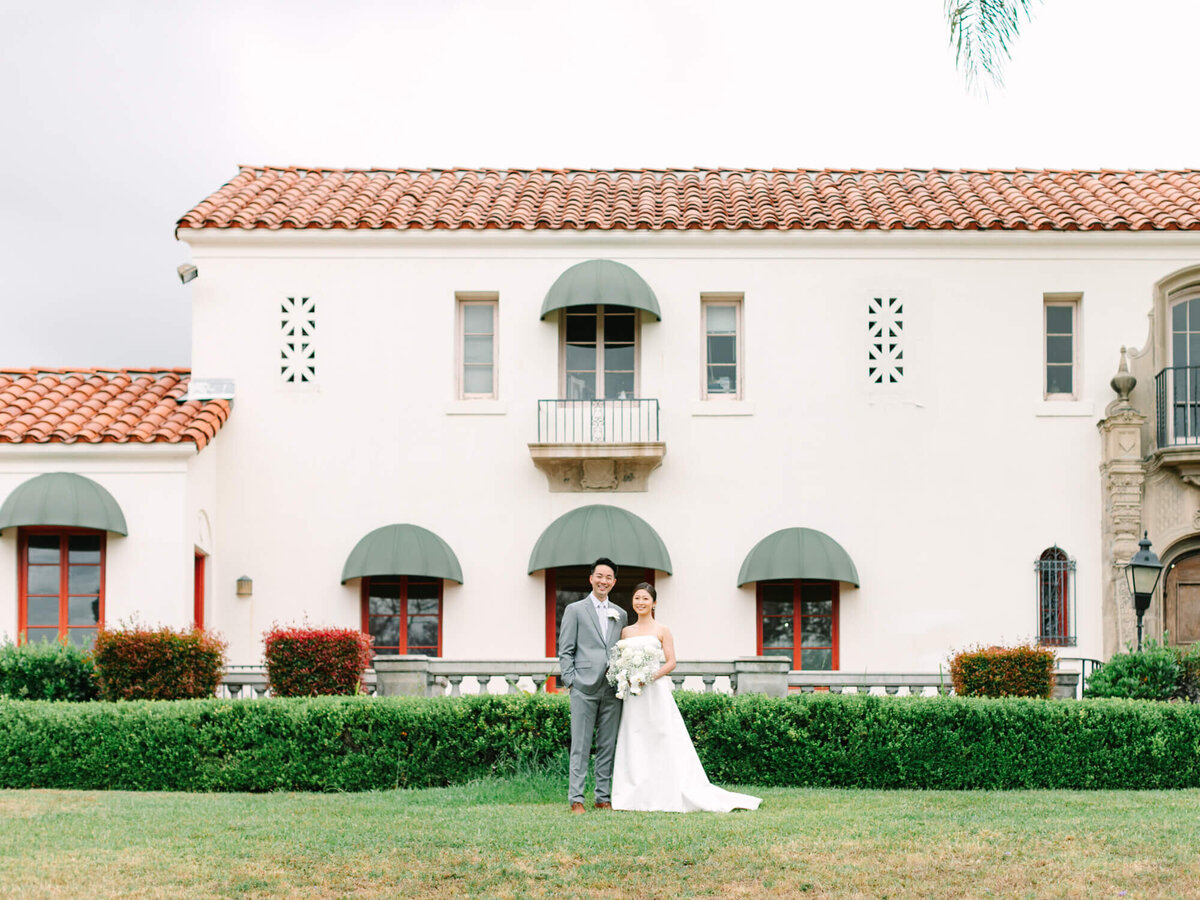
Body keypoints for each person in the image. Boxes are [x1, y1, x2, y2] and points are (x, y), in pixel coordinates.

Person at [611, 583, 761, 813]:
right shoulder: (626, 632)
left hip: (654, 690)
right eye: (637, 598)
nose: (640, 602)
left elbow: (671, 661)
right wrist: (628, 676)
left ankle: (666, 791)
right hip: (633, 694)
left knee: (660, 736)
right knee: (635, 738)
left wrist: (649, 676)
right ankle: (635, 794)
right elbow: (621, 661)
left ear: (654, 603)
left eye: (645, 599)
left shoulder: (662, 630)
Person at [558, 557, 627, 813]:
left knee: (607, 745)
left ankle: (602, 797)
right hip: (583, 688)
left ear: (613, 582)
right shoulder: (575, 610)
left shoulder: (620, 614)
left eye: (609, 577)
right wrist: (571, 681)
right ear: (591, 578)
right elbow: (565, 650)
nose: (603, 581)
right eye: (600, 576)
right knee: (581, 744)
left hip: (612, 688)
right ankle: (576, 798)